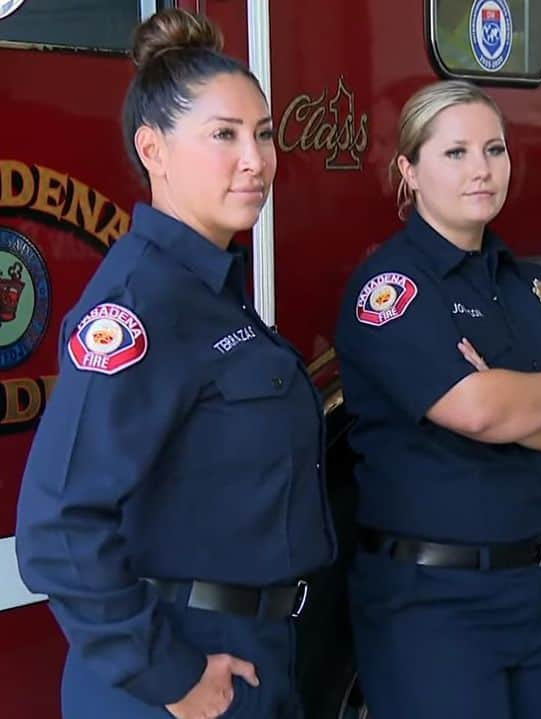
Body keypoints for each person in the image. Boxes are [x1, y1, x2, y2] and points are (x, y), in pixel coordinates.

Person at [15, 9, 336, 718]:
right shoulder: (138, 307)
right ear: (153, 149)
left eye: (263, 134)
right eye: (223, 135)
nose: (255, 159)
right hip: (183, 670)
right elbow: (58, 529)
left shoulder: (213, 290)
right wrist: (169, 676)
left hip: (257, 648)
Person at [334, 79, 541, 719]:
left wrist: (528, 401)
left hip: (540, 589)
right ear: (409, 170)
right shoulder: (392, 287)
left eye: (494, 150)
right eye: (455, 153)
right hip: (436, 604)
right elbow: (478, 410)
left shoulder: (532, 285)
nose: (482, 170)